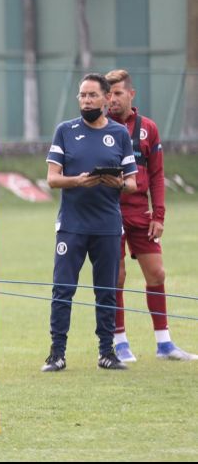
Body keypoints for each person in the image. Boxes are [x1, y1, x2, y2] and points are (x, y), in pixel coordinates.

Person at [42, 73, 138, 372]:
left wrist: (117, 181)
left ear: (107, 98)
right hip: (72, 225)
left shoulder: (120, 134)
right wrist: (77, 181)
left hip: (108, 226)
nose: (86, 100)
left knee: (106, 290)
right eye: (82, 95)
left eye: (92, 95)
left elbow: (133, 183)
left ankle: (107, 353)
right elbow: (52, 179)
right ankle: (57, 354)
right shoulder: (65, 131)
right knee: (62, 289)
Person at [104, 69, 197, 362]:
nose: (111, 100)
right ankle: (120, 341)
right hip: (109, 212)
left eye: (117, 93)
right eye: (108, 94)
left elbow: (156, 174)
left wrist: (159, 215)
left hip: (140, 212)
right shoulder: (100, 126)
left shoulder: (148, 128)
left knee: (157, 273)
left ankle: (164, 343)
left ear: (131, 94)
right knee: (116, 276)